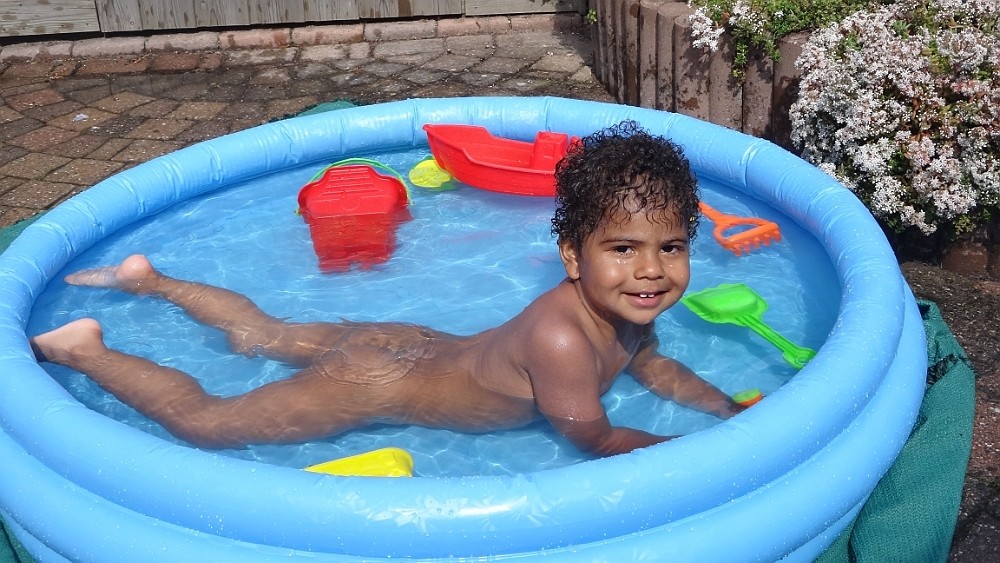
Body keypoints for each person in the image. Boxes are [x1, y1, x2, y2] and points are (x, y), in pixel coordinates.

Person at [29, 120, 745, 457]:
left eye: (671, 248)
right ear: (572, 257)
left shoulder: (630, 307)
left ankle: (149, 280)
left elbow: (652, 366)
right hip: (374, 385)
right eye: (622, 249)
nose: (651, 270)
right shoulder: (561, 339)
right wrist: (701, 452)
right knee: (205, 425)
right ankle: (85, 350)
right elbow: (595, 437)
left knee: (263, 333)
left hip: (407, 346)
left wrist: (723, 408)